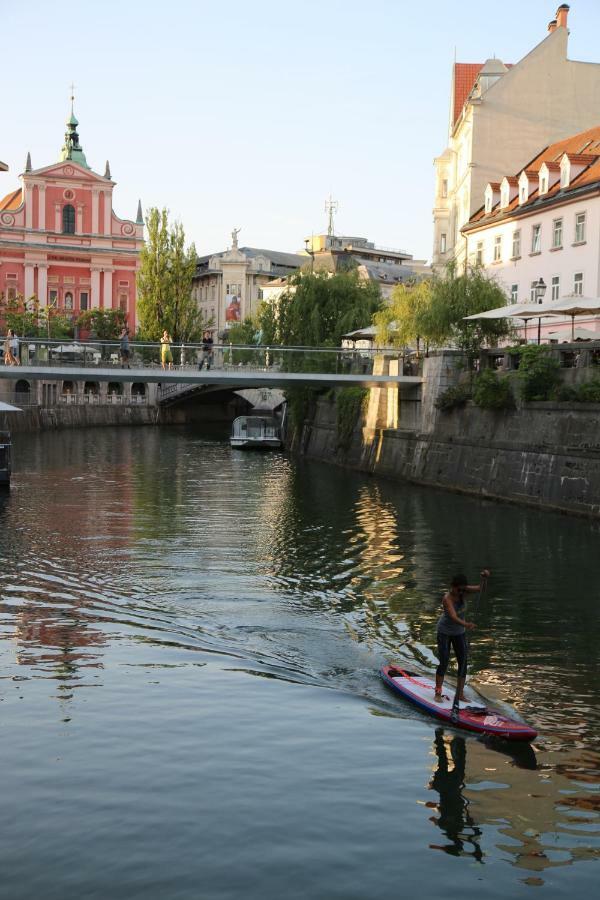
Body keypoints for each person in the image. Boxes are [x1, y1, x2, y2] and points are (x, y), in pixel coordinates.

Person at [435, 569, 490, 702]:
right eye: (458, 590)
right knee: (444, 662)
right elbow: (453, 617)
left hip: (459, 633)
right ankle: (438, 692)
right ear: (452, 587)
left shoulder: (464, 590)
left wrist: (485, 578)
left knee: (463, 662)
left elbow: (481, 589)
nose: (461, 592)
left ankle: (459, 695)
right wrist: (466, 625)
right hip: (445, 632)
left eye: (462, 590)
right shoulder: (447, 598)